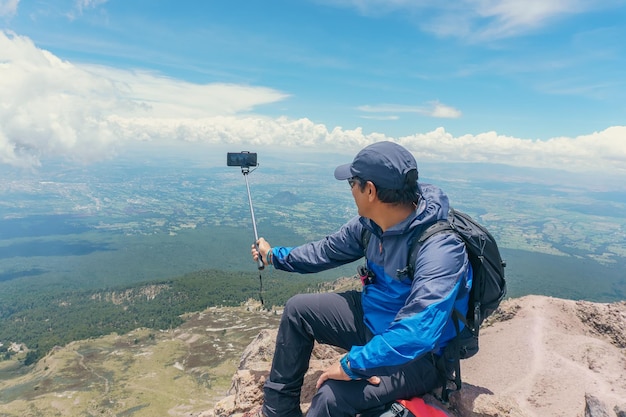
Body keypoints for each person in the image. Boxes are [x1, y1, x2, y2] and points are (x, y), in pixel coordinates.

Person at [250, 141, 472, 417]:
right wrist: (274, 256)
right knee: (299, 310)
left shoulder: (440, 247)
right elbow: (326, 250)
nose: (350, 189)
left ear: (370, 190)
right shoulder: (370, 224)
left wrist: (353, 364)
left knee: (331, 395)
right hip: (371, 317)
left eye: (352, 183)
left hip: (418, 357)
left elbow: (419, 332)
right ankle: (278, 412)